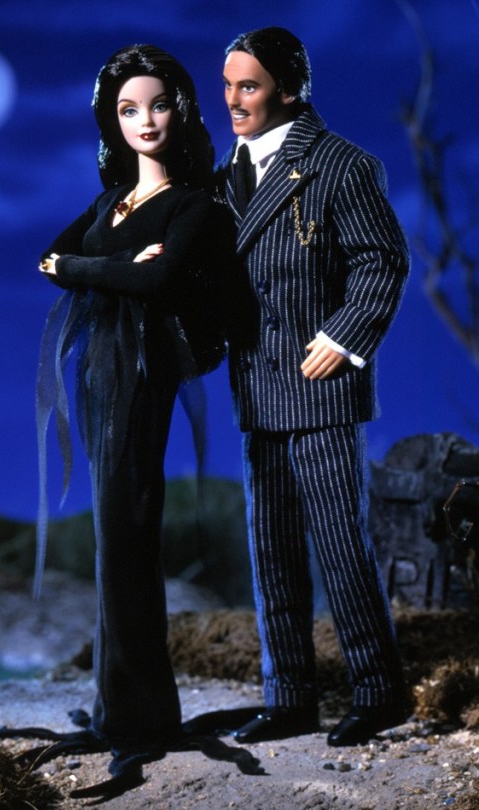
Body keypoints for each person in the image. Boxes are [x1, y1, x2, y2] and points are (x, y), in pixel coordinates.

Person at [35, 43, 237, 784]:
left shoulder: (193, 205)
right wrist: (114, 267)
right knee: (111, 537)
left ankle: (142, 719)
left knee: (129, 533)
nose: (144, 120)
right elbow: (51, 260)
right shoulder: (108, 201)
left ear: (180, 110)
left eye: (157, 104)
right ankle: (115, 707)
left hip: (143, 373)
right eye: (127, 109)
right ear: (111, 121)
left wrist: (98, 271)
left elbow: (154, 283)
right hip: (97, 371)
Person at [216, 26, 410, 747]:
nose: (233, 99)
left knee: (338, 542)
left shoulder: (340, 165)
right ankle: (290, 694)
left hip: (319, 386)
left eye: (249, 86)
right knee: (271, 550)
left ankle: (379, 689)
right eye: (228, 85)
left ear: (290, 89)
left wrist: (344, 336)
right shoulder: (225, 174)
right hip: (257, 384)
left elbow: (382, 260)